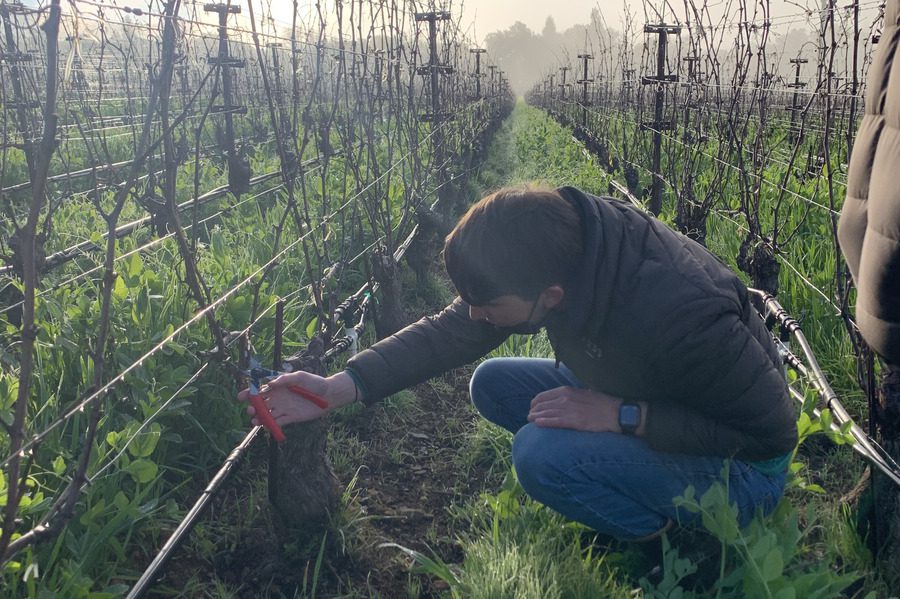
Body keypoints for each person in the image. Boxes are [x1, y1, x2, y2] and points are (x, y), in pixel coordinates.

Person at [239, 185, 798, 541]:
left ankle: (665, 541)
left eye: (489, 307)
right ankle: (619, 471)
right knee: (493, 386)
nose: (476, 316)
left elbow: (771, 437)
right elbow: (451, 331)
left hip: (742, 471)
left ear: (550, 297)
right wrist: (339, 385)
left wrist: (625, 417)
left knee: (539, 454)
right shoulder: (568, 241)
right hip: (649, 386)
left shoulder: (677, 314)